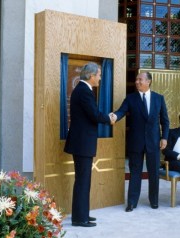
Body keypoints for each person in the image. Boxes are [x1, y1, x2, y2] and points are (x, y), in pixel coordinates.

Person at [64, 62, 115, 227]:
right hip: (82, 144)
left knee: (83, 180)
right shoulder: (84, 91)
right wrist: (109, 119)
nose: (100, 78)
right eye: (99, 75)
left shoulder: (82, 90)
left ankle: (82, 214)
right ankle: (79, 219)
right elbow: (94, 115)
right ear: (91, 76)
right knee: (83, 181)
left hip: (81, 143)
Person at [111, 72, 170, 212]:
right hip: (135, 142)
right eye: (136, 79)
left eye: (140, 79)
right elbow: (121, 112)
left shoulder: (158, 98)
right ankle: (132, 202)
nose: (136, 82)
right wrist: (114, 116)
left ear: (148, 81)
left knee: (153, 172)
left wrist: (164, 138)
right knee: (135, 172)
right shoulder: (131, 98)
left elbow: (165, 121)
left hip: (154, 142)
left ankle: (154, 200)